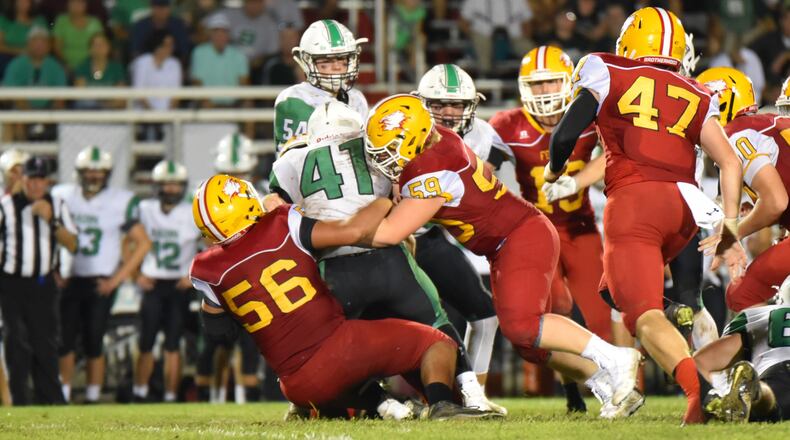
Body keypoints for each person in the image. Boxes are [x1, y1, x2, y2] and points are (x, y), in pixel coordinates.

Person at [364, 94, 644, 418]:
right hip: (510, 240)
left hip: (520, 236)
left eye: (386, 149)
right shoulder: (442, 139)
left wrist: (334, 227)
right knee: (530, 345)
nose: (382, 158)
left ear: (413, 138)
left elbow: (389, 234)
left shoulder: (432, 170)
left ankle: (615, 359)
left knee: (524, 326)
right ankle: (607, 385)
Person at [545, 7, 748, 424]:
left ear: (629, 43)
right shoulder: (695, 90)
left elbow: (565, 133)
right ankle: (675, 310)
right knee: (614, 288)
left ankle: (701, 393)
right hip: (685, 210)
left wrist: (554, 169)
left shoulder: (606, 67)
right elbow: (729, 162)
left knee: (640, 313)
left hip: (636, 204)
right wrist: (730, 224)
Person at [190, 174, 497, 420]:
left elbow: (219, 332)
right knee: (438, 342)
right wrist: (385, 200)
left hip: (294, 385)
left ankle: (385, 405)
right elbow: (353, 231)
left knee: (330, 383)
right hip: (336, 349)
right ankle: (443, 406)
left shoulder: (205, 270)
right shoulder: (282, 224)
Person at [269, 101, 504, 414]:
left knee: (324, 351)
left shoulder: (291, 160)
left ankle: (379, 405)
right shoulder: (375, 146)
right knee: (437, 325)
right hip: (388, 258)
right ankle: (453, 400)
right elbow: (398, 194)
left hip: (334, 268)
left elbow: (274, 209)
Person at [487, 46, 612, 413]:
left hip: (582, 226)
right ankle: (573, 393)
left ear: (568, 81)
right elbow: (486, 174)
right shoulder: (508, 124)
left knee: (600, 315)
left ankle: (613, 386)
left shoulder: (590, 118)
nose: (544, 92)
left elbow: (613, 156)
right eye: (537, 84)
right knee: (557, 308)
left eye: (551, 82)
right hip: (538, 232)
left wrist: (576, 183)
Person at [413, 64, 503, 392]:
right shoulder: (403, 130)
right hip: (396, 240)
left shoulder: (482, 136)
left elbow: (490, 177)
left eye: (457, 105)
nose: (448, 113)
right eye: (437, 105)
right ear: (421, 104)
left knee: (484, 314)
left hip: (431, 236)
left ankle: (474, 394)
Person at [54, 146, 152, 404]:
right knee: (64, 340)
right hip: (69, 276)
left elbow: (142, 243)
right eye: (89, 171)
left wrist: (117, 279)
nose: (94, 176)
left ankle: (92, 396)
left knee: (94, 339)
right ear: (79, 172)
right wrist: (53, 269)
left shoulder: (119, 200)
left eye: (99, 171)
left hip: (101, 281)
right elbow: (48, 235)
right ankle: (62, 394)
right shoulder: (63, 195)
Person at [694, 67, 790, 312]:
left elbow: (776, 201)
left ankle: (777, 352)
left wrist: (733, 233)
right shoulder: (766, 126)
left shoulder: (736, 134)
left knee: (741, 294)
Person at [0, 156, 77, 405]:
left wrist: (52, 221)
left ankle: (51, 402)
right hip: (11, 283)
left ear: (47, 181)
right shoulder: (5, 206)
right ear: (22, 179)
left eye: (40, 179)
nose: (35, 185)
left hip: (43, 284)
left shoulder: (56, 204)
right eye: (31, 178)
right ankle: (20, 402)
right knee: (16, 343)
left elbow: (74, 245)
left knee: (45, 345)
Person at [133, 160, 201, 403]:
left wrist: (193, 275)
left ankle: (171, 396)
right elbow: (126, 242)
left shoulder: (192, 211)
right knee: (145, 342)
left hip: (178, 285)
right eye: (166, 184)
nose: (171, 189)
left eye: (175, 184)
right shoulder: (144, 208)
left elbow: (209, 247)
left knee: (173, 344)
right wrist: (135, 274)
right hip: (152, 282)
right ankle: (139, 393)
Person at [694, 277, 790, 422]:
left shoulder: (759, 314)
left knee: (768, 406)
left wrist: (714, 395)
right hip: (778, 370)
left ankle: (757, 391)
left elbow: (701, 361)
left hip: (778, 371)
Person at [274, 19, 368, 154]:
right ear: (307, 62)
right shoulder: (294, 98)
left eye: (343, 59)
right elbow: (293, 160)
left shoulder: (356, 98)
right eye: (327, 61)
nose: (336, 67)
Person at [2, 27, 66, 141]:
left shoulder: (56, 67)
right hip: (21, 111)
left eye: (42, 42)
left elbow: (60, 98)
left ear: (49, 46)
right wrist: (30, 115)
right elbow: (12, 93)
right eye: (35, 42)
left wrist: (48, 116)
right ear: (28, 44)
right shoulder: (16, 64)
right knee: (14, 122)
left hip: (48, 112)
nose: (39, 46)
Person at [189, 13, 249, 108]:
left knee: (248, 106)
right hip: (206, 105)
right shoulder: (199, 53)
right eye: (216, 31)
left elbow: (244, 83)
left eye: (223, 31)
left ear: (228, 34)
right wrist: (205, 101)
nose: (220, 35)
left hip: (233, 105)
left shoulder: (239, 55)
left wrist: (244, 102)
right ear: (210, 33)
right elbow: (196, 81)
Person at [73, 33, 127, 109]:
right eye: (96, 45)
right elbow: (80, 96)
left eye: (102, 44)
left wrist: (101, 104)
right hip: (87, 112)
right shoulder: (82, 67)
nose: (99, 48)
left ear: (109, 47)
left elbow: (121, 99)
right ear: (90, 49)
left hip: (110, 113)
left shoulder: (116, 68)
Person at [130, 0, 190, 64]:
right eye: (158, 7)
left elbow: (184, 52)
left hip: (172, 64)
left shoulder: (178, 25)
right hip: (146, 64)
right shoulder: (141, 25)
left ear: (169, 8)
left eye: (164, 7)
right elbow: (135, 51)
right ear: (152, 8)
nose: (161, 11)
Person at [52, 0, 104, 72]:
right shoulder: (61, 21)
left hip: (90, 66)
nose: (76, 6)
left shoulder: (95, 23)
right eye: (73, 3)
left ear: (85, 5)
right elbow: (57, 48)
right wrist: (65, 65)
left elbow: (100, 46)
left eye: (80, 3)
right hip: (66, 66)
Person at [0, 0, 48, 74]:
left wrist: (32, 52)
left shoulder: (39, 21)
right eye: (20, 1)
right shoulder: (4, 20)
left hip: (34, 56)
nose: (23, 4)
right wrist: (20, 51)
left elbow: (46, 43)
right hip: (8, 56)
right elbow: (1, 46)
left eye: (26, 1)